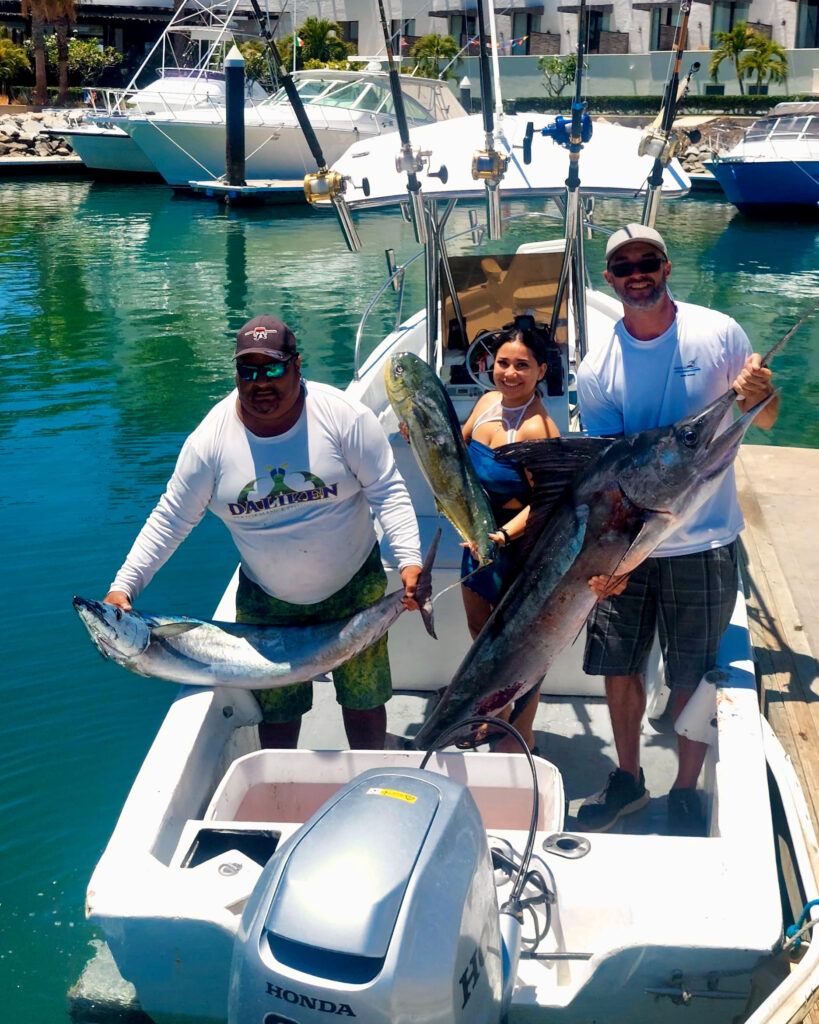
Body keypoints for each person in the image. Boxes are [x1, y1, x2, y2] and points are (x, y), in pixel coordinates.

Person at [103, 314, 423, 751]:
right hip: (268, 601)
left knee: (364, 699)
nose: (260, 382)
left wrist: (410, 560)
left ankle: (368, 773)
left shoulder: (343, 417)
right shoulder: (209, 443)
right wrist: (124, 588)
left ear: (297, 365)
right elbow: (170, 520)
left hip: (355, 588)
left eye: (272, 368)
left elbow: (387, 489)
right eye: (247, 371)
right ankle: (280, 787)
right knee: (278, 713)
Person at [575, 223, 779, 835]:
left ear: (666, 268)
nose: (637, 273)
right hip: (627, 548)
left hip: (706, 541)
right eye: (624, 266)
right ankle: (629, 779)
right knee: (619, 664)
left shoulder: (718, 333)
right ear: (608, 279)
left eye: (649, 261)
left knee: (694, 671)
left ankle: (686, 788)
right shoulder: (598, 366)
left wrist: (761, 395)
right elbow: (607, 477)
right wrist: (606, 561)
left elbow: (764, 419)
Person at [459, 324, 560, 754]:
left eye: (522, 365)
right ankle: (494, 717)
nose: (510, 373)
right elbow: (458, 452)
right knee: (481, 634)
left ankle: (520, 735)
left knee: (520, 649)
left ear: (541, 370)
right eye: (503, 363)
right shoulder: (484, 405)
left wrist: (500, 535)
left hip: (516, 548)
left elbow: (547, 504)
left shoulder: (539, 429)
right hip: (476, 542)